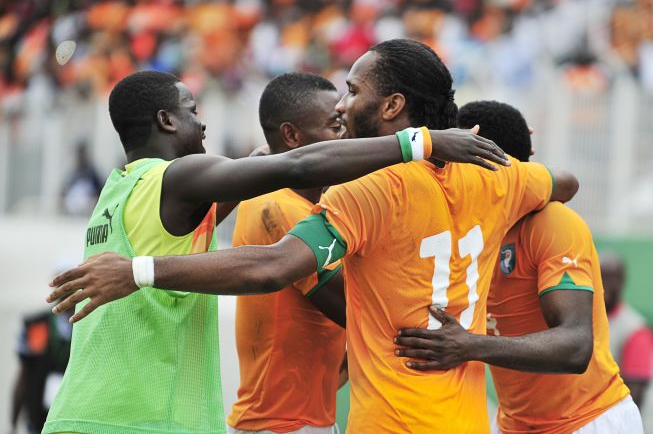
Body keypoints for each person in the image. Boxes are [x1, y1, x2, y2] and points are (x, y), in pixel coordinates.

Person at [49, 39, 578, 434]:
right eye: (194, 112)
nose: (343, 113)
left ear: (392, 106)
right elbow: (566, 181)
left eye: (350, 93)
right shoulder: (503, 180)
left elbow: (283, 267)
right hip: (428, 420)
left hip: (374, 420)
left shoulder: (363, 196)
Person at [394, 101, 640, 434]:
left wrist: (469, 345)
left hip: (589, 421)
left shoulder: (552, 222)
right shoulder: (454, 228)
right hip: (513, 425)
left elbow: (575, 346)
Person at [227, 73, 347, 434]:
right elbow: (357, 310)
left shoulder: (310, 205)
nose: (346, 138)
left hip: (302, 419)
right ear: (293, 135)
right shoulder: (277, 206)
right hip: (279, 425)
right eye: (336, 126)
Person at [11, 263, 74, 434]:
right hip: (38, 422)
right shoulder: (36, 324)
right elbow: (24, 373)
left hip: (74, 421)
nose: (66, 288)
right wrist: (13, 422)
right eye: (61, 281)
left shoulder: (91, 323)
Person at [602, 250, 653, 410]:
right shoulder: (583, 320)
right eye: (600, 276)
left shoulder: (635, 329)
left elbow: (634, 396)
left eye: (611, 277)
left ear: (622, 281)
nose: (605, 284)